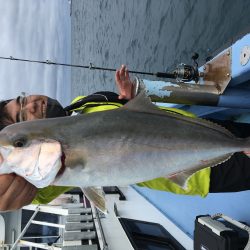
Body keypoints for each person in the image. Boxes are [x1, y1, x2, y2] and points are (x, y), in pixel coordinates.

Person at [1, 65, 250, 212]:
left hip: (200, 128)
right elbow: (33, 189)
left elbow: (131, 119)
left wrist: (128, 99)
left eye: (22, 100)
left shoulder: (83, 103)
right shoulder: (54, 172)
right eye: (22, 116)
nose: (31, 105)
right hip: (202, 171)